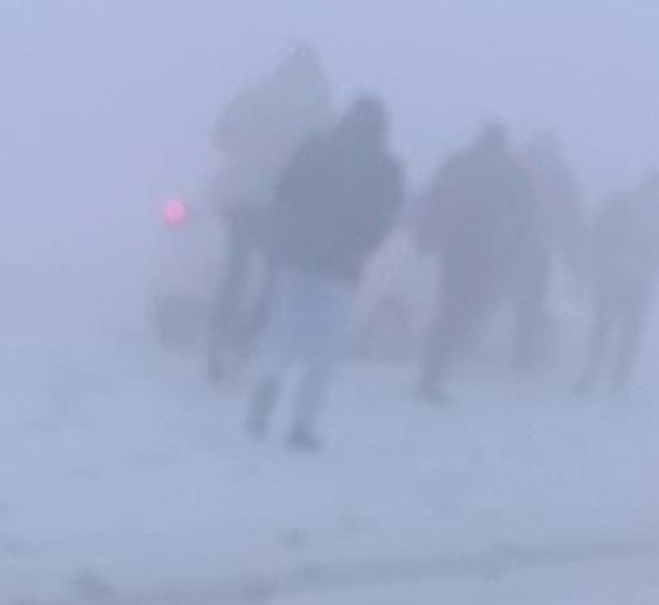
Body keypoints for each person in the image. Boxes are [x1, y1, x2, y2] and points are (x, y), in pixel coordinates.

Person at [245, 97, 405, 450]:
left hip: (295, 259)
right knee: (324, 354)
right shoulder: (385, 167)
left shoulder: (315, 148)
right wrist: (362, 245)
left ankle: (266, 391)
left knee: (282, 336)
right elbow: (385, 219)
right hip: (340, 270)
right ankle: (301, 426)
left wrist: (290, 234)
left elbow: (283, 190)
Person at [206, 45, 335, 382]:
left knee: (236, 272)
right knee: (275, 281)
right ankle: (244, 341)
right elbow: (329, 159)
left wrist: (245, 155)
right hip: (287, 205)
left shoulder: (251, 98)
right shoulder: (317, 110)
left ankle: (219, 335)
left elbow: (219, 135)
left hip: (241, 198)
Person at [414, 124, 534, 401]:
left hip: (453, 246)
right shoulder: (510, 171)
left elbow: (432, 198)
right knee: (465, 310)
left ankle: (432, 368)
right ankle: (434, 370)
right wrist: (512, 253)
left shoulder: (458, 162)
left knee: (450, 307)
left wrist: (426, 237)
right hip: (486, 251)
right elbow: (524, 213)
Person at [577, 170, 659, 394]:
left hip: (612, 275)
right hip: (642, 281)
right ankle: (620, 379)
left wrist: (600, 259)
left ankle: (591, 371)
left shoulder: (620, 201)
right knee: (630, 331)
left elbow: (596, 230)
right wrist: (657, 262)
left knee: (603, 325)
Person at [509, 132, 585, 371]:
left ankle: (472, 342)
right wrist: (574, 253)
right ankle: (525, 352)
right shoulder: (561, 177)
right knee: (530, 302)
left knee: (496, 296)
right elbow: (571, 217)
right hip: (538, 247)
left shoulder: (514, 168)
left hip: (505, 245)